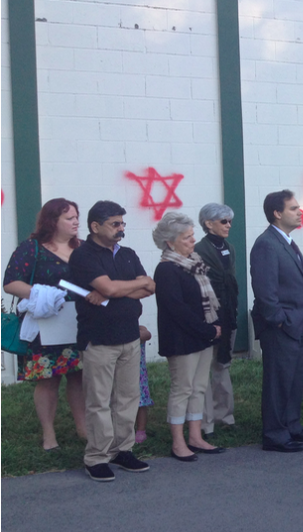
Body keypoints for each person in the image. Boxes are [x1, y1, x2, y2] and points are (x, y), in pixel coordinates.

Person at [70, 200, 155, 481]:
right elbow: (109, 286)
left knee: (128, 398)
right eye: (115, 224)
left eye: (122, 224)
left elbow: (151, 286)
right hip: (99, 339)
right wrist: (114, 289)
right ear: (95, 227)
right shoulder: (84, 255)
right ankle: (96, 457)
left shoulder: (127, 254)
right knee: (99, 401)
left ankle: (122, 450)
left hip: (130, 336)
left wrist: (113, 292)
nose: (121, 229)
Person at [3, 198, 87, 451]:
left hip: (78, 321)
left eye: (76, 216)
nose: (75, 221)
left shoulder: (83, 248)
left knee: (80, 376)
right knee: (48, 379)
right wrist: (43, 295)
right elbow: (11, 282)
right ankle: (48, 434)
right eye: (69, 218)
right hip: (46, 324)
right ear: (53, 221)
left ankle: (83, 428)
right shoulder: (32, 248)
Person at [152, 212, 225, 462]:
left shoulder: (195, 263)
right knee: (182, 389)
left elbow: (205, 302)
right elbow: (177, 309)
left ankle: (195, 436)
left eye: (193, 235)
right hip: (182, 340)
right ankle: (178, 441)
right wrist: (208, 330)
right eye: (186, 237)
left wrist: (213, 328)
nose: (193, 241)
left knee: (198, 388)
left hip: (202, 337)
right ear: (170, 243)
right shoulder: (166, 270)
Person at [251, 190, 303, 453]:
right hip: (281, 328)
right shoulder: (266, 244)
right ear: (277, 213)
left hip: (297, 325)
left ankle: (292, 426)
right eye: (293, 208)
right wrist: (280, 321)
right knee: (278, 382)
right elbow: (266, 292)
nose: (300, 212)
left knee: (294, 380)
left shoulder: (286, 241)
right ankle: (275, 434)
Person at [194, 203, 239, 437]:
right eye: (224, 221)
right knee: (204, 369)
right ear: (208, 224)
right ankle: (206, 421)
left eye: (229, 221)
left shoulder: (229, 248)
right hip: (209, 316)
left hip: (228, 313)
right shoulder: (199, 250)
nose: (228, 225)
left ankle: (225, 416)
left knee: (223, 364)